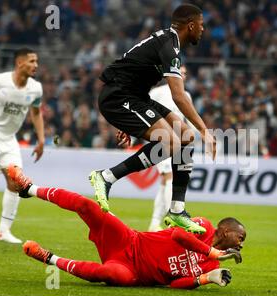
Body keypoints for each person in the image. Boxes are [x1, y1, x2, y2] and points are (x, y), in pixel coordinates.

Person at [8, 165, 245, 289]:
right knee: (87, 205)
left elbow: (175, 284)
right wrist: (212, 252)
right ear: (225, 231)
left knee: (108, 274)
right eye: (240, 236)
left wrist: (207, 278)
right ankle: (30, 189)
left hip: (135, 274)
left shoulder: (213, 264)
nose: (242, 242)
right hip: (130, 240)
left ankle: (48, 258)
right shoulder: (202, 227)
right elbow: (177, 234)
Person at [89, 3, 216, 234]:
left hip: (135, 97)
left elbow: (135, 70)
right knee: (170, 142)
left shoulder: (169, 42)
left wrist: (128, 121)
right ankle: (106, 177)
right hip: (119, 96)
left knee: (186, 136)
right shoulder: (170, 47)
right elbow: (178, 96)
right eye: (201, 24)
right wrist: (205, 130)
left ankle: (177, 209)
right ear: (190, 25)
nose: (203, 29)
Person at [0, 48, 44, 244]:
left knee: (15, 182)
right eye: (32, 61)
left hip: (9, 139)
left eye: (36, 61)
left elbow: (36, 113)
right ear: (20, 63)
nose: (36, 65)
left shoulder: (35, 88)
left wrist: (41, 140)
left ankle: (3, 232)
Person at [148, 64, 195, 231]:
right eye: (180, 72)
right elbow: (141, 110)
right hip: (160, 139)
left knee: (165, 181)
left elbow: (187, 119)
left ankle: (155, 223)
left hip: (179, 141)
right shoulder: (157, 92)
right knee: (170, 176)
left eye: (185, 73)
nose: (183, 75)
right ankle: (174, 219)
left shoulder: (186, 95)